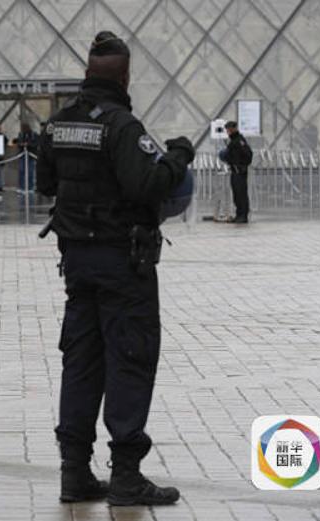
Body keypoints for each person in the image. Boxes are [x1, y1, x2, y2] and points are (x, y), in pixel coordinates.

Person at [37, 31, 195, 506]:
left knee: (81, 363)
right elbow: (148, 184)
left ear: (87, 71)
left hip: (77, 264)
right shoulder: (123, 125)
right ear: (125, 75)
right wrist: (179, 155)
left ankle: (74, 473)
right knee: (130, 359)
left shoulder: (59, 123)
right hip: (123, 263)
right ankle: (126, 476)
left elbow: (46, 183)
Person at [222, 121, 252, 223]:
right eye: (227, 129)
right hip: (234, 171)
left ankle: (243, 216)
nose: (228, 131)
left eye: (229, 129)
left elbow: (248, 155)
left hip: (240, 172)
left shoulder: (239, 141)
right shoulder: (233, 141)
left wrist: (242, 166)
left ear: (234, 129)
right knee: (236, 195)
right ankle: (239, 214)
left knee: (241, 194)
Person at [13, 123, 38, 192]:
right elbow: (18, 143)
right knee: (21, 171)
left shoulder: (34, 134)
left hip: (31, 155)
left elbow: (36, 144)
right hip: (22, 155)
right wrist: (21, 144)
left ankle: (30, 187)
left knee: (30, 172)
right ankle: (21, 187)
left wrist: (28, 144)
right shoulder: (21, 134)